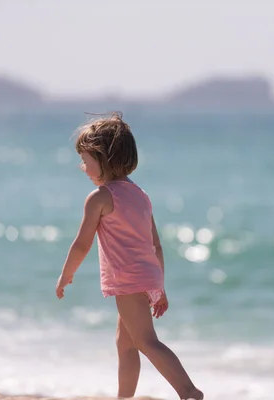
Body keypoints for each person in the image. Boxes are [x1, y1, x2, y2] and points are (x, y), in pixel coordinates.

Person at [55, 112, 203, 400]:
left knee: (147, 341)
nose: (82, 166)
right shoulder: (140, 195)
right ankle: (125, 398)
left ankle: (188, 392)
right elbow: (155, 245)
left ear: (104, 159)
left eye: (86, 160)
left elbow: (82, 243)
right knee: (126, 343)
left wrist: (66, 275)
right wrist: (159, 287)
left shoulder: (99, 198)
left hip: (129, 280)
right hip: (147, 278)